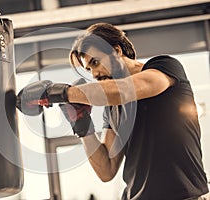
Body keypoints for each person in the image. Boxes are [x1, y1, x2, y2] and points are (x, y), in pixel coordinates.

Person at [16, 23, 209, 200]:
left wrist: (60, 93)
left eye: (96, 62)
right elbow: (106, 170)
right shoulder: (113, 107)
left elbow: (125, 90)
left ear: (116, 50)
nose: (94, 74)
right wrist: (83, 126)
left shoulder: (164, 67)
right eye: (89, 69)